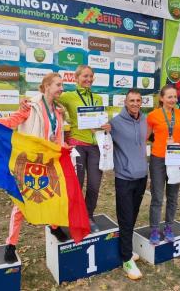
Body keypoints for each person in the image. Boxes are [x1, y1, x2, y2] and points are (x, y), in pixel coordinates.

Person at [0, 73, 70, 263]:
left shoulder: (58, 111)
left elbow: (57, 137)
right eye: (58, 85)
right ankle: (11, 244)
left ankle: (54, 226)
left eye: (62, 85)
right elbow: (10, 122)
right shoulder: (30, 107)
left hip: (50, 162)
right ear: (47, 86)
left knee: (55, 196)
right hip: (29, 163)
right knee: (21, 204)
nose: (62, 88)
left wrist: (64, 147)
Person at [59, 65, 111, 233]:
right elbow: (49, 98)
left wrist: (105, 125)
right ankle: (74, 217)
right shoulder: (68, 96)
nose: (88, 79)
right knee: (77, 185)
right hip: (77, 145)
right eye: (85, 76)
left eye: (91, 77)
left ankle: (89, 216)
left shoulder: (97, 98)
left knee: (95, 185)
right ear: (76, 78)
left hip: (95, 146)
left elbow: (101, 120)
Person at [110, 89, 147, 280]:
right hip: (124, 178)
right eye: (131, 100)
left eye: (138, 100)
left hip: (142, 176)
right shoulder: (114, 123)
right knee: (125, 217)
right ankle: (126, 259)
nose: (135, 103)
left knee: (132, 216)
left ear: (141, 102)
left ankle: (126, 248)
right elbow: (98, 136)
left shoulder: (145, 119)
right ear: (125, 102)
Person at [147, 85, 180, 245]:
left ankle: (169, 227)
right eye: (169, 97)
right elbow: (146, 135)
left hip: (176, 159)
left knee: (173, 196)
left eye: (175, 97)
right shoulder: (152, 115)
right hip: (158, 159)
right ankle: (154, 230)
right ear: (162, 98)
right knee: (157, 197)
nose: (173, 100)